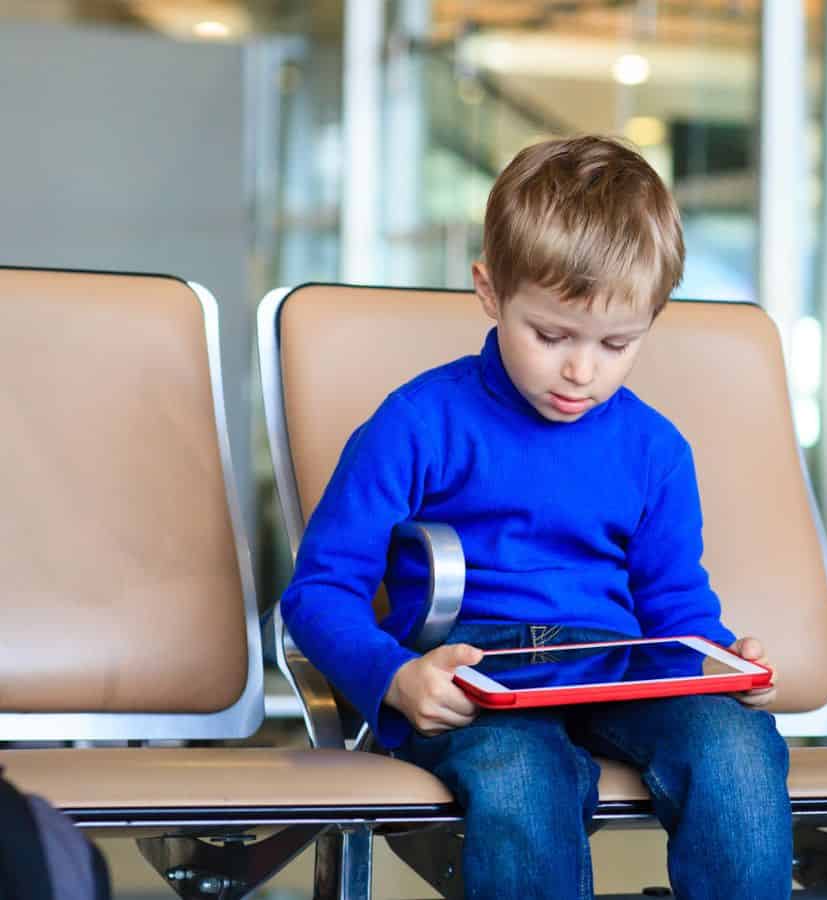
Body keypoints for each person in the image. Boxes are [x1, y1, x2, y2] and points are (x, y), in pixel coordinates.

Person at [278, 135, 791, 899]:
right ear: (490, 292)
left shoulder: (655, 448)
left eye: (618, 343)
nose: (582, 370)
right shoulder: (418, 422)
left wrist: (724, 663)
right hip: (473, 675)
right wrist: (395, 680)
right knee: (522, 774)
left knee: (736, 744)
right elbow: (318, 592)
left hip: (617, 667)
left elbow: (675, 607)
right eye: (550, 335)